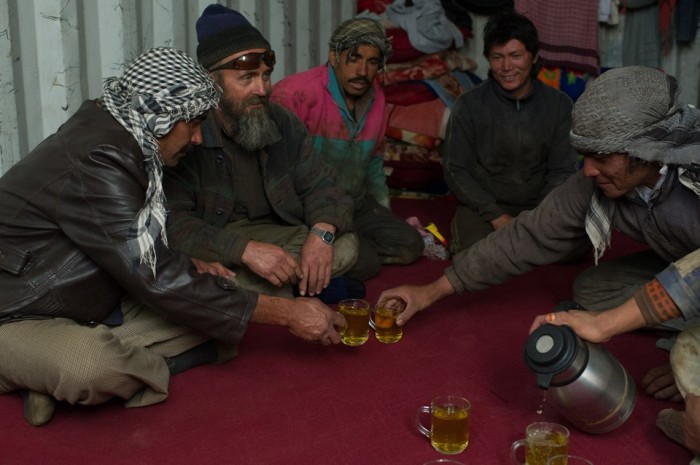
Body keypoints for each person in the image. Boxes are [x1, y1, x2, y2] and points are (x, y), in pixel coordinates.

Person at [0, 47, 345, 427]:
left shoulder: (125, 132)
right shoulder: (102, 157)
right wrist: (287, 313)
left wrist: (185, 267)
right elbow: (156, 277)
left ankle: (46, 374)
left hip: (89, 292)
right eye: (193, 123)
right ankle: (49, 373)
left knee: (224, 290)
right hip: (17, 311)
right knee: (93, 367)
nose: (198, 138)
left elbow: (134, 246)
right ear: (161, 115)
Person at [378, 66, 700, 413]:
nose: (589, 170)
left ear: (647, 150)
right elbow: (525, 236)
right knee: (593, 291)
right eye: (585, 155)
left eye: (602, 157)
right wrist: (429, 292)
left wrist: (692, 361)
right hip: (682, 264)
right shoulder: (597, 183)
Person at [163, 5, 362, 300]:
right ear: (211, 83)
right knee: (195, 273)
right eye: (247, 79)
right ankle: (272, 290)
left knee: (346, 245)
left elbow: (323, 187)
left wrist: (321, 234)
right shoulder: (190, 131)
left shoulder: (282, 121)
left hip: (278, 235)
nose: (262, 89)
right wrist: (244, 251)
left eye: (266, 75)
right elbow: (173, 221)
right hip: (218, 243)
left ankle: (257, 293)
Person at [270, 17, 424, 280]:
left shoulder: (378, 98)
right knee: (366, 263)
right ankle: (332, 256)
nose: (363, 71)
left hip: (354, 201)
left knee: (411, 246)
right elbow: (275, 170)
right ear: (334, 56)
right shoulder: (295, 93)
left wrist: (384, 211)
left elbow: (374, 162)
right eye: (354, 58)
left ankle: (337, 254)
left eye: (372, 62)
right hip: (311, 205)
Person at [442, 11, 578, 253]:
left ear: (534, 56)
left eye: (515, 56)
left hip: (540, 206)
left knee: (576, 246)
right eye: (497, 57)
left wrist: (536, 218)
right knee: (473, 252)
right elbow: (456, 169)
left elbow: (562, 170)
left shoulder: (559, 105)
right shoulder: (469, 105)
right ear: (488, 59)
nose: (506, 67)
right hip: (485, 206)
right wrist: (495, 215)